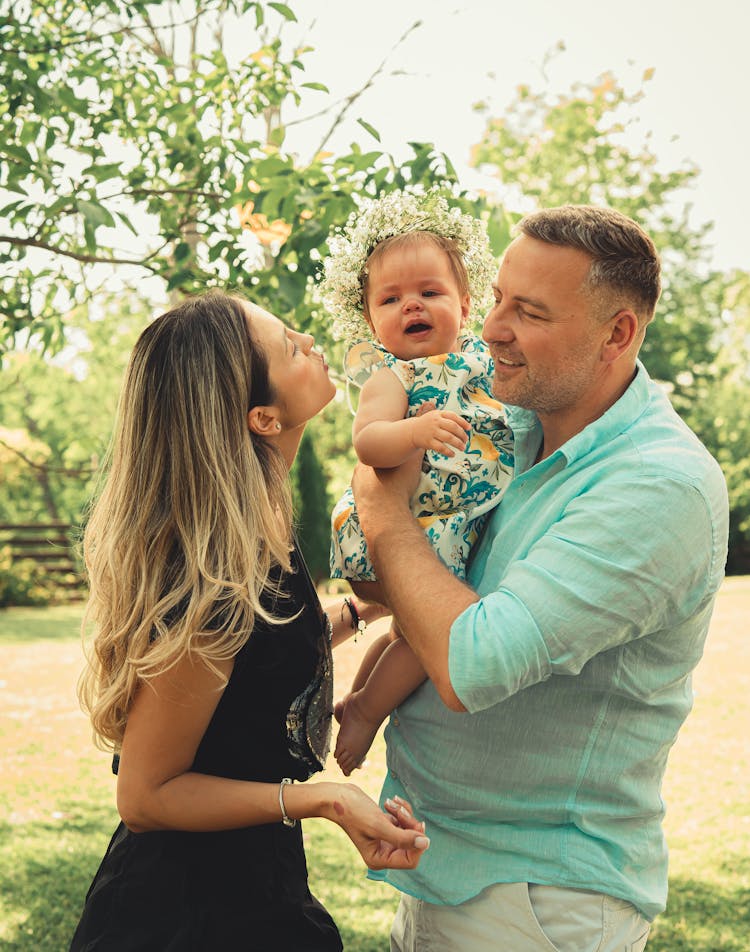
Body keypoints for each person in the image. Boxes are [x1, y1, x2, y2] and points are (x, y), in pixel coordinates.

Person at [350, 204, 729, 952]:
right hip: (449, 866)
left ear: (617, 334)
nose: (491, 328)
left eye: (528, 312)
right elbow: (410, 592)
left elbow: (473, 662)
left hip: (538, 901)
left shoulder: (658, 485)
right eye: (495, 299)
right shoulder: (512, 422)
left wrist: (383, 515)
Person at [69, 291, 429, 952]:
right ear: (264, 417)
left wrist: (367, 607)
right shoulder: (207, 587)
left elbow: (259, 652)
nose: (312, 342)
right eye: (290, 344)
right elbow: (146, 797)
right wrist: (322, 799)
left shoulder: (255, 535)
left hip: (254, 885)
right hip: (182, 915)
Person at [317, 190, 513, 775]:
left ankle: (356, 696)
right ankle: (367, 713)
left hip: (452, 518)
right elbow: (368, 443)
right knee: (430, 641)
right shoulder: (392, 376)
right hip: (415, 524)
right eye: (392, 299)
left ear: (466, 302)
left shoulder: (484, 361)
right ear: (370, 317)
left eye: (429, 293)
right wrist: (415, 431)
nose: (412, 307)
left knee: (408, 632)